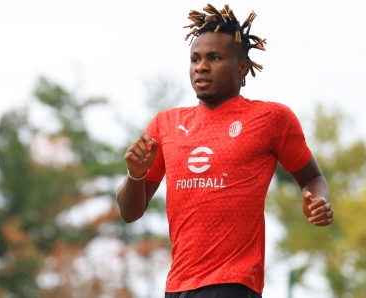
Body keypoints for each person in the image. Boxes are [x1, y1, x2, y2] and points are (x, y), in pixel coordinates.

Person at [116, 4, 333, 298]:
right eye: (195, 59)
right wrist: (135, 175)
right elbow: (130, 212)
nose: (201, 67)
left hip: (233, 283)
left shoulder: (271, 119)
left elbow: (312, 177)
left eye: (214, 58)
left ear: (241, 68)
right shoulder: (165, 125)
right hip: (177, 285)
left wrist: (317, 201)